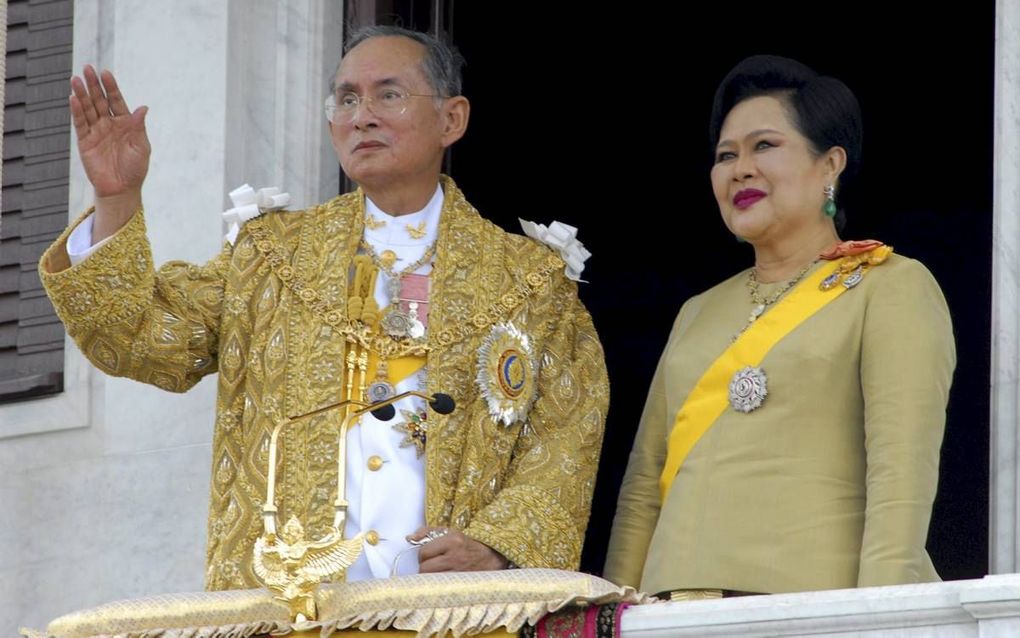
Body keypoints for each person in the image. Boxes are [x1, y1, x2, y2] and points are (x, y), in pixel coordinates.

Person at [40, 26, 608, 590]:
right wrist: (116, 199)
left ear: (451, 119)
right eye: (346, 98)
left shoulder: (530, 281)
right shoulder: (270, 256)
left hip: (455, 609)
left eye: (389, 94)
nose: (362, 116)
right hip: (291, 607)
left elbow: (565, 438)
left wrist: (497, 547)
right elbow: (140, 338)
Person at [603, 55, 955, 597]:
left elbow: (899, 482)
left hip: (810, 608)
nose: (740, 168)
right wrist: (614, 610)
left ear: (830, 164)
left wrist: (883, 616)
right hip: (670, 611)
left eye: (764, 146)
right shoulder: (698, 310)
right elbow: (642, 490)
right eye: (726, 155)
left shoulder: (890, 286)